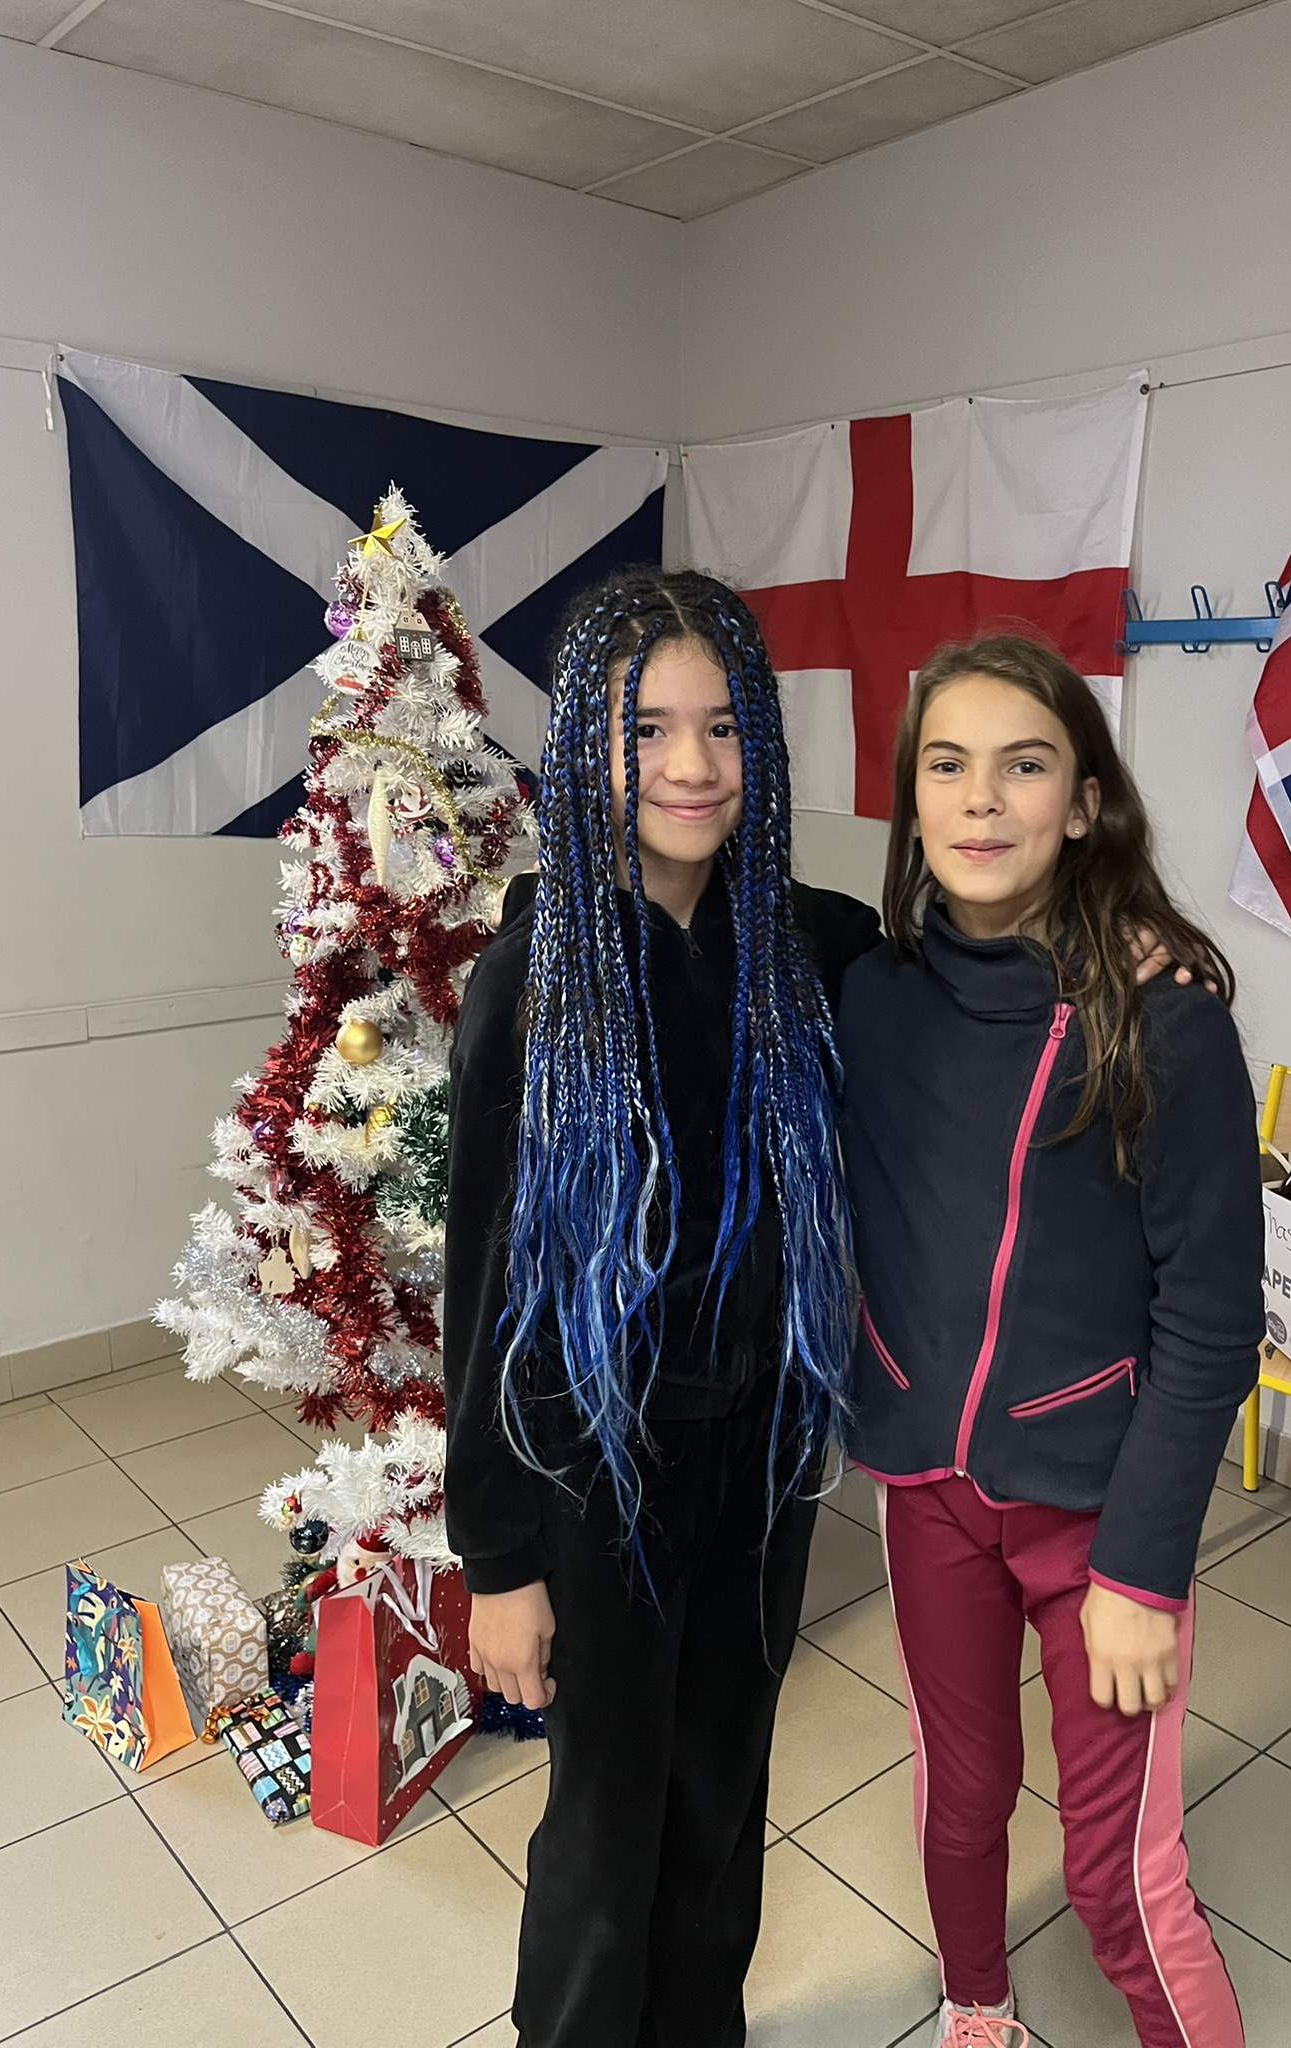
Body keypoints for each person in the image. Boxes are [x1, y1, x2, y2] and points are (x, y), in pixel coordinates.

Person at [441, 567, 879, 2048]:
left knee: (722, 1787)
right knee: (608, 1814)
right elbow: (482, 1292)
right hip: (592, 1472)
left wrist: (1135, 945)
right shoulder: (533, 987)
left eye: (723, 726)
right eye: (647, 730)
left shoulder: (815, 952)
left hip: (759, 1462)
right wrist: (500, 1561)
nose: (692, 765)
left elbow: (994, 971)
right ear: (588, 748)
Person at [837, 637, 1264, 2048]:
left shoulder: (1165, 1024)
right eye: (946, 765)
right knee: (960, 1799)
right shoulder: (871, 994)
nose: (981, 798)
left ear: (1082, 803)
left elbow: (1213, 1325)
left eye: (1023, 766)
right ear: (912, 800)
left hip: (1101, 1518)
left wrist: (1142, 1571)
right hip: (929, 1489)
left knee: (1115, 1878)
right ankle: (975, 2003)